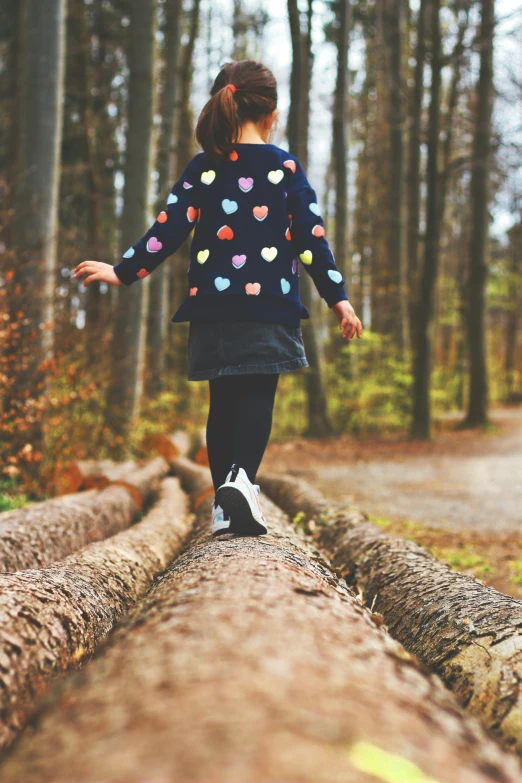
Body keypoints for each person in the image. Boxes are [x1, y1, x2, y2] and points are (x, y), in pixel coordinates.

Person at [74, 59, 362, 538]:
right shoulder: (285, 167)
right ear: (271, 114)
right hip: (269, 308)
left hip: (213, 308)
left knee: (222, 402)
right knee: (257, 399)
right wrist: (339, 299)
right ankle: (242, 484)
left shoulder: (203, 168)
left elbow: (167, 227)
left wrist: (125, 271)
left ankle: (226, 508)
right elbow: (312, 239)